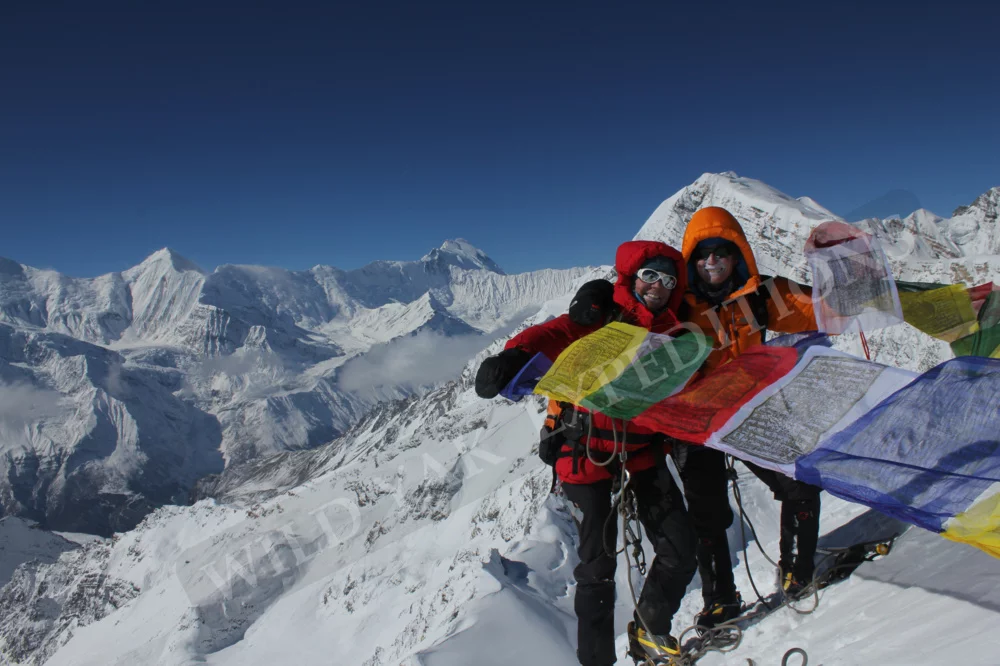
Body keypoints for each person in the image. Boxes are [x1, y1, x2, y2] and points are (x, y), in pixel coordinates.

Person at [475, 240, 698, 666]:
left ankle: (650, 631)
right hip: (585, 449)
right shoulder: (599, 316)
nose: (658, 286)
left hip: (643, 447)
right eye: (650, 275)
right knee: (596, 569)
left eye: (668, 279)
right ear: (632, 277)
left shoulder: (675, 330)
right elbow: (557, 333)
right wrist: (514, 355)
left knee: (680, 548)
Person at [677, 206, 823, 617]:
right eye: (704, 254)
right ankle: (720, 602)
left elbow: (816, 307)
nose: (712, 262)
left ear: (738, 255)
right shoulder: (677, 307)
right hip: (696, 421)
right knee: (707, 517)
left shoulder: (761, 296)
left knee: (799, 483)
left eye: (722, 252)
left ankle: (798, 571)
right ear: (691, 260)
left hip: (748, 410)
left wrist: (854, 288)